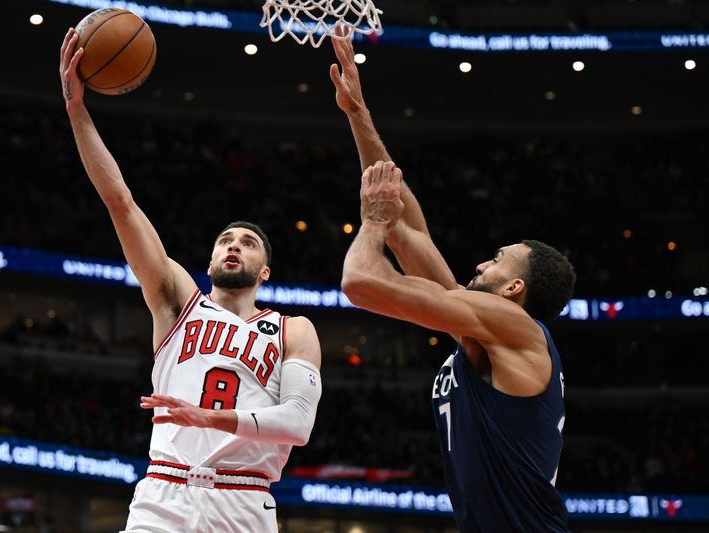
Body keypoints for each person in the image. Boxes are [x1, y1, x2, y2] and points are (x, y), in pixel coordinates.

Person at [59, 28, 322, 532]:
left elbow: (298, 425)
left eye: (247, 242)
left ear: (264, 271)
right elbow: (121, 203)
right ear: (210, 259)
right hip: (165, 494)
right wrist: (77, 111)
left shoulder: (294, 330)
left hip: (243, 501)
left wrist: (211, 419)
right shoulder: (178, 301)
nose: (234, 245)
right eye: (226, 239)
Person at [332, 37, 575, 532]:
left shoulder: (515, 328)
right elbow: (409, 229)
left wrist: (372, 223)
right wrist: (359, 114)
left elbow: (359, 282)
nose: (483, 264)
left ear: (515, 291)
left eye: (498, 261)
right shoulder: (485, 330)